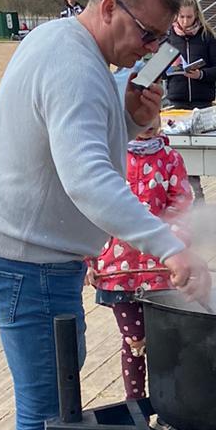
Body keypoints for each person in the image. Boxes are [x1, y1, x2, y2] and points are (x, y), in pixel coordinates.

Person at [0, 0, 209, 430]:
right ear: (107, 7)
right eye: (147, 33)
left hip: (36, 256)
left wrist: (127, 117)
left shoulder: (69, 48)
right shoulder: (73, 65)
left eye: (158, 39)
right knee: (49, 407)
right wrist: (170, 245)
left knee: (52, 392)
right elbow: (89, 179)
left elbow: (77, 144)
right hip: (25, 260)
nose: (151, 50)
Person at [90, 122, 194, 399]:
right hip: (116, 270)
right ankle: (135, 404)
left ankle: (167, 403)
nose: (147, 124)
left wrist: (170, 241)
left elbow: (181, 203)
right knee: (134, 340)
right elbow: (92, 208)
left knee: (164, 341)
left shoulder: (170, 159)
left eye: (154, 115)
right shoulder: (110, 158)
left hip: (161, 269)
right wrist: (89, 259)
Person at [162, 0, 216, 111]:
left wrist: (201, 74)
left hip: (203, 102)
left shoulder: (207, 36)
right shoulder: (168, 37)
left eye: (189, 17)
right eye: (182, 17)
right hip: (176, 101)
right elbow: (158, 72)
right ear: (176, 15)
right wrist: (170, 69)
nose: (185, 21)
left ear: (196, 14)